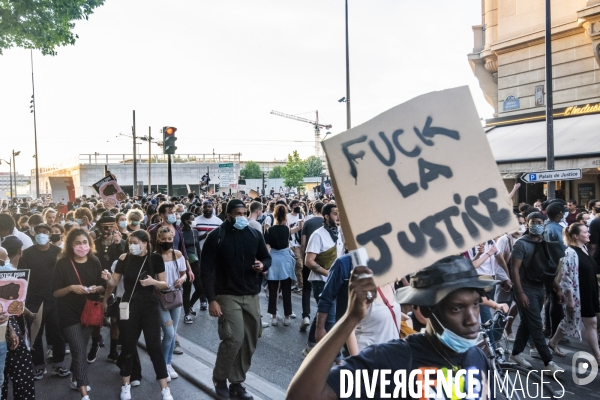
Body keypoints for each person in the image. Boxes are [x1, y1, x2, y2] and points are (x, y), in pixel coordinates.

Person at [287, 256, 496, 400]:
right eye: (457, 308)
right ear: (426, 310)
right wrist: (350, 318)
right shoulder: (392, 360)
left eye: (476, 304)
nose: (472, 320)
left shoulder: (477, 357)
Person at [201, 199, 272, 400]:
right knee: (233, 338)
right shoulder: (216, 237)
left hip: (250, 294)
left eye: (244, 213)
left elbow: (266, 258)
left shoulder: (254, 234)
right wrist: (212, 299)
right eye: (237, 214)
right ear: (228, 214)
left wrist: (262, 265)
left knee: (250, 339)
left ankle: (237, 382)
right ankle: (220, 378)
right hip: (226, 295)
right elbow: (206, 270)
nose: (241, 217)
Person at [101, 230, 174, 400]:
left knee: (154, 347)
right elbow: (114, 282)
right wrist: (107, 278)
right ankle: (125, 385)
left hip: (149, 305)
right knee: (127, 346)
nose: (132, 245)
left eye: (135, 242)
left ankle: (164, 389)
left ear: (145, 243)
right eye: (130, 243)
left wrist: (153, 282)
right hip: (128, 305)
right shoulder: (124, 259)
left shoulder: (155, 258)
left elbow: (164, 284)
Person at [53, 228, 106, 400]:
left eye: (85, 242)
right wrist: (70, 288)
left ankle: (75, 378)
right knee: (78, 349)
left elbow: (102, 286)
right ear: (70, 245)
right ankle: (84, 392)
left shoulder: (94, 261)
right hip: (68, 312)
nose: (82, 246)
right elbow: (55, 293)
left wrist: (97, 287)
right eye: (78, 243)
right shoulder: (62, 264)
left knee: (80, 348)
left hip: (89, 311)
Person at [509, 211, 565, 374]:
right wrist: (519, 293)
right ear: (527, 224)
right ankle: (549, 363)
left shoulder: (545, 243)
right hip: (525, 289)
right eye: (533, 222)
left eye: (539, 222)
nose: (536, 225)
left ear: (544, 224)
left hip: (540, 288)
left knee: (527, 323)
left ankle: (516, 353)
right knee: (536, 325)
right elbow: (515, 269)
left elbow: (546, 270)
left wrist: (558, 288)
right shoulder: (521, 244)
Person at [20, 223, 69, 380]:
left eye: (45, 232)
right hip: (34, 299)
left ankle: (59, 364)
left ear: (50, 235)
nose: (42, 234)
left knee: (58, 333)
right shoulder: (27, 254)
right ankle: (38, 366)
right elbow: (23, 278)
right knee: (36, 334)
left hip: (55, 298)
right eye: (39, 232)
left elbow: (65, 274)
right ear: (34, 234)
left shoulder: (58, 252)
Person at [548, 223, 600, 364]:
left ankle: (553, 342)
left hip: (590, 291)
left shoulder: (583, 249)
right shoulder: (570, 253)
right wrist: (570, 299)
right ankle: (598, 357)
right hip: (579, 294)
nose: (589, 234)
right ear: (576, 236)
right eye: (585, 232)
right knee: (592, 323)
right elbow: (566, 277)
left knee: (570, 320)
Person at [303, 203, 345, 356]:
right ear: (326, 216)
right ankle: (334, 355)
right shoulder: (318, 235)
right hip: (321, 281)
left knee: (324, 312)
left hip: (338, 281)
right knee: (330, 317)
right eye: (335, 213)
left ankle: (311, 344)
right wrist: (329, 274)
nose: (338, 216)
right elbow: (309, 261)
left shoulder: (341, 233)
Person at [155, 227, 186, 380]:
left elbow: (184, 273)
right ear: (158, 240)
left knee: (172, 333)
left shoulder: (177, 254)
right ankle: (162, 365)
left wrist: (182, 279)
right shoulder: (154, 257)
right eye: (164, 239)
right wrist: (156, 287)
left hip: (175, 296)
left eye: (170, 239)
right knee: (168, 333)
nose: (167, 242)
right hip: (161, 298)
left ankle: (168, 363)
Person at [264, 204, 296, 326]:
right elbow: (287, 244)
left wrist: (265, 263)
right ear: (285, 216)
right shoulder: (287, 230)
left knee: (273, 290)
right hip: (285, 259)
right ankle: (287, 316)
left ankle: (273, 316)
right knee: (286, 289)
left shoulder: (269, 230)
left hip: (273, 259)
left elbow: (267, 248)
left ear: (275, 215)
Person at [299, 201, 324, 331]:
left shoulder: (308, 222)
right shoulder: (328, 223)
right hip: (324, 262)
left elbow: (303, 244)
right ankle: (322, 316)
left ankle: (306, 316)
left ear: (313, 209)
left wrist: (304, 258)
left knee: (307, 289)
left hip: (309, 259)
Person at [180, 212, 204, 323]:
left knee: (200, 287)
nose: (194, 220)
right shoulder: (180, 232)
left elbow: (197, 247)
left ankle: (190, 305)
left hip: (196, 262)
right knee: (187, 289)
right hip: (185, 263)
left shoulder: (194, 231)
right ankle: (186, 314)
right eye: (192, 219)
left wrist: (200, 260)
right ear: (186, 221)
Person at [287, 199, 304, 294]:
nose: (296, 206)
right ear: (291, 207)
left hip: (299, 243)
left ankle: (296, 283)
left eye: (298, 204)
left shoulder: (301, 216)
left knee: (298, 265)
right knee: (298, 265)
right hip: (291, 244)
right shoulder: (287, 217)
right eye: (294, 205)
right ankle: (299, 284)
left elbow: (304, 230)